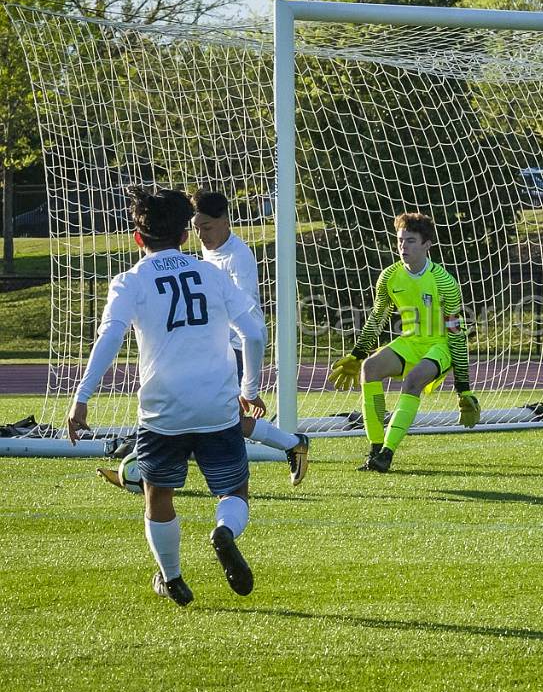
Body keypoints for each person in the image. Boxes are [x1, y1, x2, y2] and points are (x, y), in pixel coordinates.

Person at [69, 187, 268, 606]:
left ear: (139, 239)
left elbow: (110, 336)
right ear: (184, 235)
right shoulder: (212, 273)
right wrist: (248, 391)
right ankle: (224, 532)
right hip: (216, 403)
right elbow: (253, 331)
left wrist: (82, 395)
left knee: (157, 495)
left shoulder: (131, 280)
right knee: (234, 493)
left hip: (163, 408)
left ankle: (172, 578)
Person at [328, 212, 480, 472]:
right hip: (410, 341)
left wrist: (463, 387)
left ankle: (387, 454)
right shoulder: (389, 277)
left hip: (440, 345)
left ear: (426, 244)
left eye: (410, 241)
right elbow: (378, 316)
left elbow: (456, 333)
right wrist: (357, 353)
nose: (403, 246)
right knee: (369, 369)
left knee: (412, 382)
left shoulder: (445, 282)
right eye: (400, 240)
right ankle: (375, 449)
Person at [191, 190, 309, 486]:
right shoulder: (210, 250)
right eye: (196, 228)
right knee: (213, 418)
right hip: (215, 350)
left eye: (206, 228)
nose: (201, 235)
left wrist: (250, 387)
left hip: (236, 349)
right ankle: (293, 444)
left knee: (215, 419)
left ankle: (146, 472)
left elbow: (249, 321)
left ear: (225, 221)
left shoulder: (238, 257)